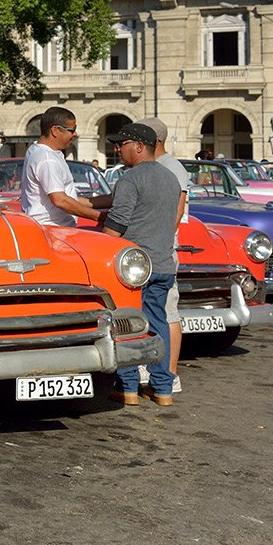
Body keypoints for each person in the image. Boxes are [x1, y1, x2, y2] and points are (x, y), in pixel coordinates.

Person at [100, 122, 182, 407]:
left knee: (127, 326)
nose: (117, 149)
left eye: (121, 145)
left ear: (138, 146)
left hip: (134, 270)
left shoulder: (130, 179)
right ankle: (163, 390)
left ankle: (128, 388)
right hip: (163, 263)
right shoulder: (170, 178)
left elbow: (117, 225)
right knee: (158, 324)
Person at [136, 117, 189, 394]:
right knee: (156, 312)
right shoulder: (159, 167)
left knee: (168, 313)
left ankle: (170, 373)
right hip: (155, 250)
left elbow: (177, 213)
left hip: (163, 250)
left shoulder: (172, 168)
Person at [21, 107, 105, 226]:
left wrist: (108, 201)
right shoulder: (47, 159)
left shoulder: (39, 150)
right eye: (72, 130)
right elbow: (60, 200)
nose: (75, 134)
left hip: (52, 229)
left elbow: (68, 197)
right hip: (52, 230)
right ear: (55, 131)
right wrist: (100, 217)